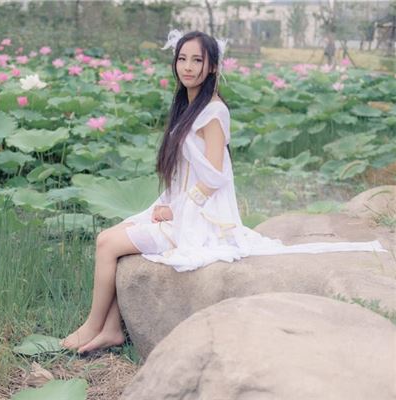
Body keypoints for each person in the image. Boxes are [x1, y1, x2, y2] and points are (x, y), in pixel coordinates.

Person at [60, 30, 387, 354]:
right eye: (182, 59)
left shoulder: (214, 111)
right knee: (116, 237)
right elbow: (183, 174)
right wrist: (165, 205)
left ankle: (92, 325)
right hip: (179, 208)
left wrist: (177, 210)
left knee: (106, 242)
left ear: (213, 66)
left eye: (197, 60)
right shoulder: (188, 106)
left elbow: (214, 177)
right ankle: (111, 329)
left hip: (200, 220)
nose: (188, 67)